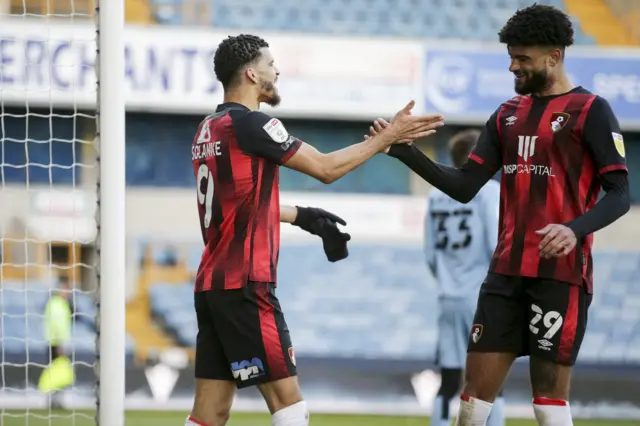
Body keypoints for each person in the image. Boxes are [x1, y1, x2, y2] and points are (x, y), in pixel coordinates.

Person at [369, 5, 630, 426]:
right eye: (511, 56)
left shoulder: (591, 111)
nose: (513, 66)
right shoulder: (507, 114)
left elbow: (620, 194)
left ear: (554, 56)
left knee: (548, 401)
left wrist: (574, 228)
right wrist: (405, 152)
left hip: (559, 275)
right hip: (504, 275)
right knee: (472, 402)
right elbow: (465, 184)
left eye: (522, 58)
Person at [186, 34, 444, 426]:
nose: (277, 71)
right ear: (252, 74)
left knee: (209, 413)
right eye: (271, 64)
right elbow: (325, 168)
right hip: (246, 285)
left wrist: (302, 216)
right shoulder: (254, 124)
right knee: (291, 407)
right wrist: (386, 138)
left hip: (212, 286)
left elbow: (236, 209)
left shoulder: (208, 129)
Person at [424, 130, 505, 426]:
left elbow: (430, 254)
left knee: (448, 378)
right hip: (482, 296)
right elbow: (496, 245)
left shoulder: (435, 195)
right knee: (492, 379)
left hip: (448, 296)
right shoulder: (489, 191)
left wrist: (448, 280)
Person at [39, 275, 76, 408]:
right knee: (58, 373)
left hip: (57, 343)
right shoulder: (56, 304)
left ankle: (55, 400)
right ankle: (53, 401)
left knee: (61, 372)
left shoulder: (60, 304)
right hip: (55, 344)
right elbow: (57, 325)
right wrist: (60, 343)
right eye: (67, 288)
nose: (69, 291)